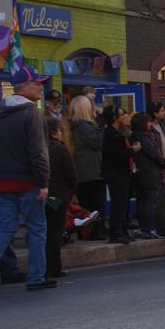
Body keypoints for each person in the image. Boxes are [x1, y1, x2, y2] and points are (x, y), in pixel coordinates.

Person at [0, 65, 56, 291]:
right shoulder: (32, 113)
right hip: (28, 181)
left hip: (0, 181)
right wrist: (43, 183)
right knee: (37, 228)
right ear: (24, 87)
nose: (41, 87)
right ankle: (36, 277)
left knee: (5, 228)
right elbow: (38, 151)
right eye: (37, 84)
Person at [68, 94, 106, 237]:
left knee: (87, 202)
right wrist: (101, 124)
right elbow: (96, 142)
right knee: (94, 203)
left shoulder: (75, 124)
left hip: (85, 168)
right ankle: (93, 231)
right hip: (90, 169)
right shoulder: (83, 125)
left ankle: (87, 231)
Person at [45, 117, 77, 279]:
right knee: (55, 231)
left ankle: (42, 267)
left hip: (42, 195)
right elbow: (71, 174)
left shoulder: (39, 147)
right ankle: (53, 267)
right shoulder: (59, 149)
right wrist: (72, 190)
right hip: (57, 195)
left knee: (42, 230)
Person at [102, 105, 137, 244]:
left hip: (118, 173)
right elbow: (119, 156)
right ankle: (115, 233)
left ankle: (121, 231)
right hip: (117, 174)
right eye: (122, 115)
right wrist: (133, 150)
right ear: (115, 118)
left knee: (121, 204)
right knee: (118, 204)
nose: (125, 117)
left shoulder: (116, 132)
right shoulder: (113, 135)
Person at [130, 112, 165, 238]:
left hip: (141, 173)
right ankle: (149, 228)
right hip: (149, 172)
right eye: (148, 122)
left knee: (143, 201)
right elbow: (153, 152)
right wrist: (163, 162)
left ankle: (144, 227)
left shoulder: (134, 136)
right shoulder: (144, 137)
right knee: (149, 202)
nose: (150, 124)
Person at [147, 101, 165, 177]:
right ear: (155, 114)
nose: (164, 113)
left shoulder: (161, 125)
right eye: (162, 111)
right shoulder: (149, 128)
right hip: (159, 170)